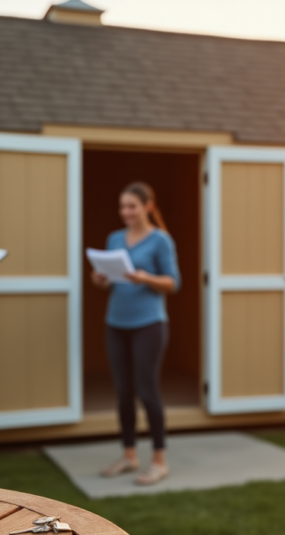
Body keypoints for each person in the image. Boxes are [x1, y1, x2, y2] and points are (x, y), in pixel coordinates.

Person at [92, 181, 181, 486]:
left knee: (147, 390)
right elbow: (110, 281)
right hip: (116, 322)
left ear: (148, 207)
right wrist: (101, 278)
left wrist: (145, 278)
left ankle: (159, 460)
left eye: (132, 206)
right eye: (123, 206)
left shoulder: (161, 241)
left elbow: (173, 283)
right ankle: (129, 455)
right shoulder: (115, 238)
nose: (126, 212)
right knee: (123, 392)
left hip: (149, 325)